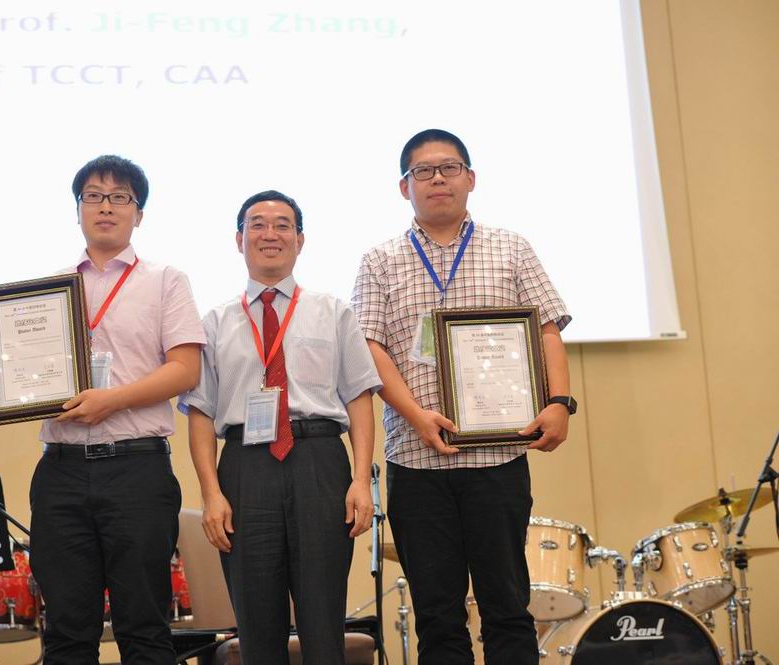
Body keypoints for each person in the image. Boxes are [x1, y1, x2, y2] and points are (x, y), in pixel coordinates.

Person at [0, 155, 205, 665]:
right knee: (67, 634)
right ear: (77, 210)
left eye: (119, 197)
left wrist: (111, 400)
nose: (105, 207)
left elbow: (185, 370)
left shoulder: (165, 280)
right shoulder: (43, 292)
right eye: (93, 196)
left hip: (137, 470)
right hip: (62, 474)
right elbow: (22, 377)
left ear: (139, 213)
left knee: (144, 630)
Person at [351, 129, 575, 664]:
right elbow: (369, 348)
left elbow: (547, 330)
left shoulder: (511, 247)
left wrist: (559, 403)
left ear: (470, 178)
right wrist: (416, 415)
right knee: (437, 616)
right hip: (416, 463)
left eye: (449, 168)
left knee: (507, 608)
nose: (437, 179)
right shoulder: (380, 260)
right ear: (404, 187)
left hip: (498, 459)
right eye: (423, 171)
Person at [181, 191, 382, 665]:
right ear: (239, 240)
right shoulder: (214, 322)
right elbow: (201, 414)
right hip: (245, 467)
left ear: (300, 239)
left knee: (323, 621)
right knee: (257, 626)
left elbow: (359, 398)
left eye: (282, 225)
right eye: (257, 224)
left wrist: (360, 480)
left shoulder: (334, 311)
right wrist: (211, 494)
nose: (269, 234)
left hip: (319, 462)